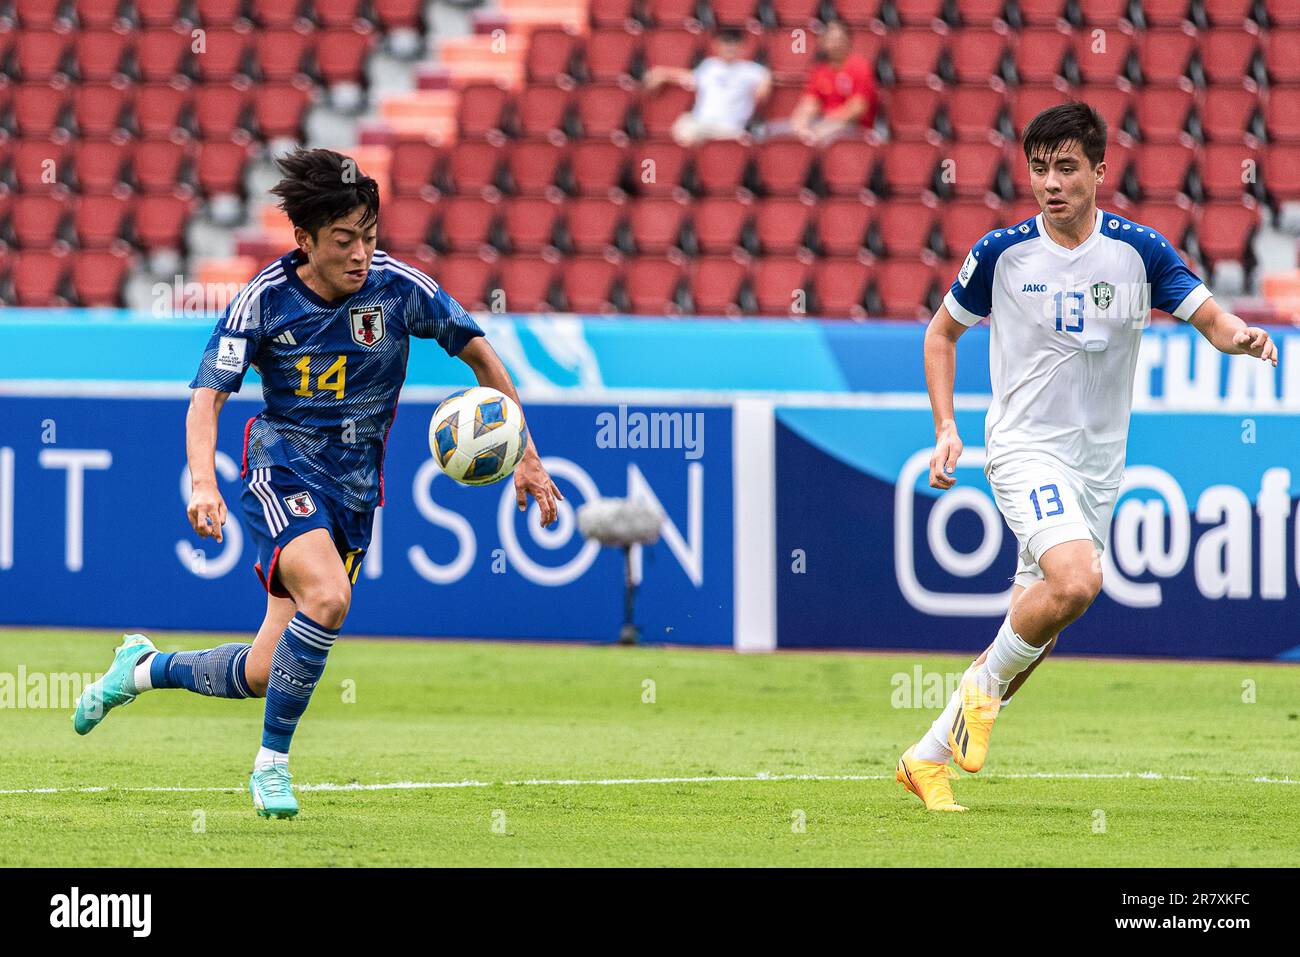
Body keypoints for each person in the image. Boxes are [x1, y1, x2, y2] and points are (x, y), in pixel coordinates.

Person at [71, 148, 562, 820]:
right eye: (344, 240)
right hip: (282, 470)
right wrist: (202, 484)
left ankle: (142, 667)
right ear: (304, 240)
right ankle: (271, 765)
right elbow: (206, 397)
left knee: (263, 671)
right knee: (328, 598)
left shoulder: (399, 288)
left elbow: (479, 352)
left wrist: (527, 454)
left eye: (370, 236)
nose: (362, 253)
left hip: (354, 498)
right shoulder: (265, 299)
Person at [896, 102, 1278, 812]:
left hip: (1096, 467)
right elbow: (940, 336)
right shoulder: (1001, 253)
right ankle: (979, 696)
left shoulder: (1138, 251)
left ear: (1100, 172)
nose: (1050, 182)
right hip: (1021, 448)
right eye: (1039, 168)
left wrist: (1242, 338)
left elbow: (1209, 317)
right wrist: (946, 426)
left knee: (1036, 623)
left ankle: (925, 758)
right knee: (1077, 581)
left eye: (1066, 167)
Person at [643, 28, 771, 147]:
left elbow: (763, 88)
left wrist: (762, 89)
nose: (729, 47)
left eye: (734, 43)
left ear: (743, 47)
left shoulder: (753, 70)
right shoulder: (709, 66)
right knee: (680, 135)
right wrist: (663, 72)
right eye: (725, 43)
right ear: (716, 45)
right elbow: (689, 77)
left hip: (730, 127)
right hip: (701, 122)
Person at [783, 19, 878, 145]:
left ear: (848, 41)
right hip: (823, 123)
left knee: (822, 136)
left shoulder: (859, 66)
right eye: (830, 39)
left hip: (853, 127)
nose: (835, 43)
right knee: (777, 133)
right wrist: (800, 126)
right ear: (822, 42)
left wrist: (823, 127)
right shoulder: (819, 71)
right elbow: (810, 103)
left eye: (839, 39)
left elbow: (857, 108)